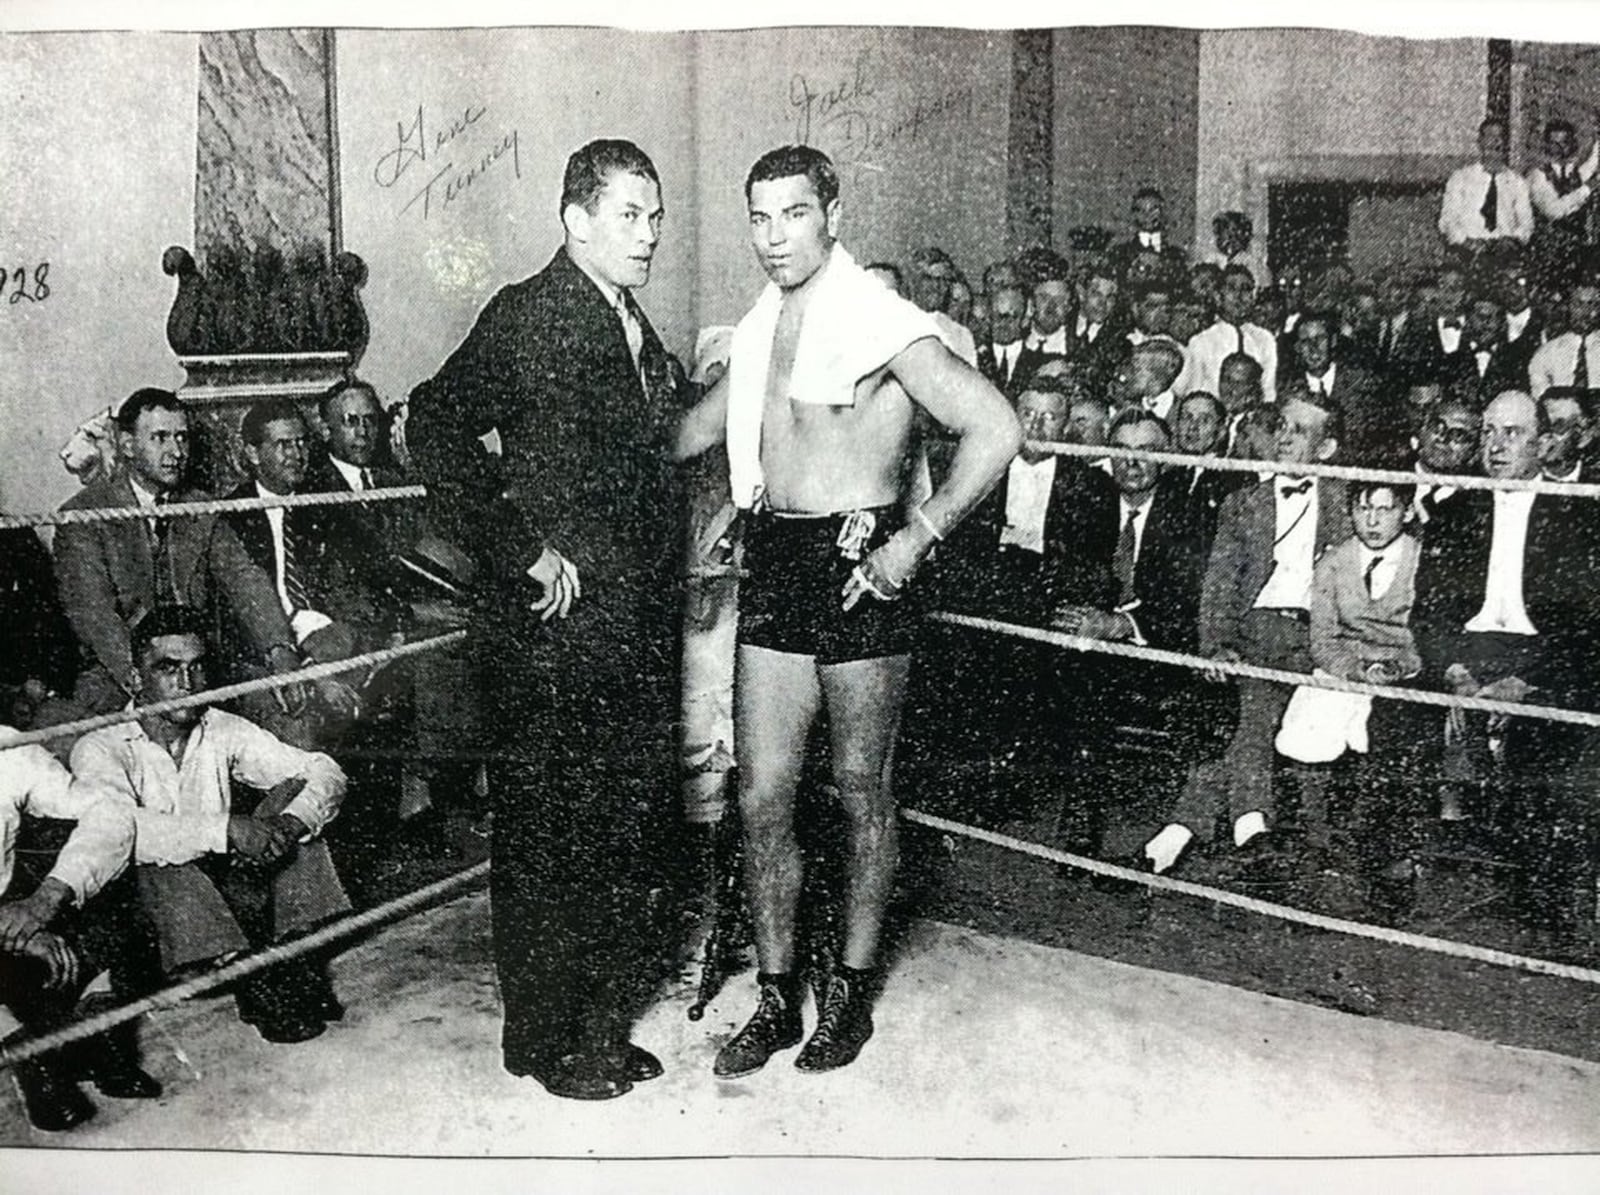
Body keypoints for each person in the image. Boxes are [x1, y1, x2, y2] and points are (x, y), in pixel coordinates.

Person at [674, 144, 1019, 1077]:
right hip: (781, 560)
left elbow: (998, 426)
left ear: (831, 210)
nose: (774, 236)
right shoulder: (759, 322)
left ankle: (853, 993)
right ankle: (779, 993)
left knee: (862, 787)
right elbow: (695, 431)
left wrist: (916, 539)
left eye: (792, 213)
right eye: (759, 217)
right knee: (761, 793)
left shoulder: (877, 314)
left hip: (860, 564)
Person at [405, 138, 688, 1100]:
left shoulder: (621, 316)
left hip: (630, 630)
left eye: (656, 216)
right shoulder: (532, 310)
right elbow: (435, 421)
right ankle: (544, 1036)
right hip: (554, 638)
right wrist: (519, 544)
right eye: (629, 216)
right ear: (575, 219)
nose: (650, 235)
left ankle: (593, 1021)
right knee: (551, 835)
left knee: (615, 830)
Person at [70, 606, 351, 1044]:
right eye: (168, 669)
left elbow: (324, 770)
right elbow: (119, 832)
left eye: (197, 667)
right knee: (156, 855)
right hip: (148, 909)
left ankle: (291, 956)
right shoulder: (101, 745)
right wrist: (226, 830)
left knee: (296, 799)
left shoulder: (220, 726)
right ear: (136, 677)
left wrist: (290, 824)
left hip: (221, 889)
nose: (187, 683)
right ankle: (251, 974)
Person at [1407, 390, 1600, 936]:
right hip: (1466, 656)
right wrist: (1455, 673)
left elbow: (1585, 628)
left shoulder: (1580, 515)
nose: (1495, 445)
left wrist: (1525, 682)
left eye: (1512, 433)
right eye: (1489, 432)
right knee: (1395, 723)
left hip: (1539, 659)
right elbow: (1430, 614)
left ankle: (1543, 910)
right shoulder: (1453, 512)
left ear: (1543, 443)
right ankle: (1390, 891)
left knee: (1548, 746)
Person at [1142, 390, 1350, 878]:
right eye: (1281, 425)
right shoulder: (1243, 503)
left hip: (1317, 639)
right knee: (1252, 703)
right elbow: (1219, 584)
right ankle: (1249, 829)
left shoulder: (1345, 503)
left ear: (1326, 448)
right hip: (1255, 633)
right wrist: (1215, 647)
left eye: (1299, 430)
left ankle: (1179, 836)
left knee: (1247, 712)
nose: (1283, 435)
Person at [52, 388, 311, 725]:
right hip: (120, 680)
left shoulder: (200, 507)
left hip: (203, 670)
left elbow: (245, 579)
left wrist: (280, 653)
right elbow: (96, 618)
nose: (176, 451)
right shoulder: (82, 516)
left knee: (290, 715)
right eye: (160, 438)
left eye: (182, 438)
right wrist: (146, 682)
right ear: (128, 445)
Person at [0, 734, 159, 1131]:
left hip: (11, 908)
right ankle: (30, 1052)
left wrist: (48, 897)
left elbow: (111, 811)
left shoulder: (9, 747)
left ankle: (96, 1031)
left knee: (109, 883)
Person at [1180, 264, 1278, 402]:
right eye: (1231, 288)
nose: (1239, 296)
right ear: (1218, 296)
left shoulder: (1265, 339)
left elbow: (1268, 390)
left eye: (1246, 289)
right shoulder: (1201, 341)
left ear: (1253, 297)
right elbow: (1193, 392)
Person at [1439, 117, 1534, 253]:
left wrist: (1513, 240)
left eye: (1500, 137)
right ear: (1480, 142)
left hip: (1505, 251)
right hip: (1468, 250)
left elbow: (1527, 223)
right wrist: (1466, 242)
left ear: (1507, 143)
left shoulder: (1517, 182)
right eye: (1489, 136)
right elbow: (1448, 221)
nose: (1495, 141)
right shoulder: (1460, 178)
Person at [1527, 116, 1599, 289]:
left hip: (1576, 253)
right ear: (1546, 144)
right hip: (1547, 257)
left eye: (1564, 142)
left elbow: (1593, 162)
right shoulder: (1537, 176)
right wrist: (1587, 188)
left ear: (1572, 143)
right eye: (1554, 143)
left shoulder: (1573, 173)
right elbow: (1554, 210)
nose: (1559, 149)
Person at [1528, 277, 1600, 396]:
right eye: (1578, 304)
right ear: (1568, 307)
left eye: (1592, 304)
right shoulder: (1547, 352)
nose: (1586, 311)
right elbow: (1540, 398)